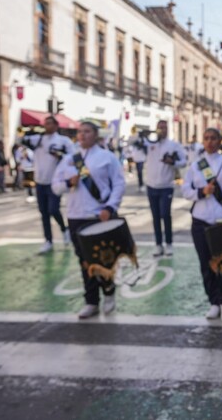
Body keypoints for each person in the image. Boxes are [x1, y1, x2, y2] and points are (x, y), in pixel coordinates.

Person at [51, 121, 126, 319]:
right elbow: (55, 186)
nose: (82, 135)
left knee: (102, 259)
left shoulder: (107, 158)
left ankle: (108, 292)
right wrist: (68, 182)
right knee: (85, 261)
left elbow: (119, 184)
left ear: (95, 135)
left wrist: (110, 207)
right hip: (76, 216)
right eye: (80, 132)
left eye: (87, 132)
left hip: (98, 215)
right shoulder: (69, 160)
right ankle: (91, 301)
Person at [182, 128, 222, 322]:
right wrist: (202, 192)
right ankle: (213, 302)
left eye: (213, 138)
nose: (209, 142)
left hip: (220, 220)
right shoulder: (195, 165)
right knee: (206, 263)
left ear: (220, 141)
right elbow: (185, 189)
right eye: (206, 138)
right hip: (199, 219)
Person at [21, 116, 74, 253]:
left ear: (56, 125)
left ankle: (64, 229)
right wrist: (28, 132)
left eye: (49, 124)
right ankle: (48, 240)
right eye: (45, 124)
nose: (47, 126)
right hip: (40, 181)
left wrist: (60, 155)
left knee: (53, 209)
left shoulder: (63, 141)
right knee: (43, 212)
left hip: (54, 182)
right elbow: (19, 139)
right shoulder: (38, 139)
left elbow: (73, 157)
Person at [143, 120, 186, 257]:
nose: (162, 130)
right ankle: (158, 245)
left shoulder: (173, 145)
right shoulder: (150, 144)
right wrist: (145, 134)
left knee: (165, 215)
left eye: (164, 127)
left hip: (166, 186)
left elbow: (183, 162)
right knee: (155, 217)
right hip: (151, 186)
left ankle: (169, 244)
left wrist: (172, 162)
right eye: (159, 127)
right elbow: (133, 143)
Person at [127, 127, 147, 192]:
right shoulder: (135, 140)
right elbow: (130, 143)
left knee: (140, 171)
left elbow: (146, 148)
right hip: (137, 158)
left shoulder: (144, 140)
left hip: (141, 158)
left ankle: (141, 184)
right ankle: (140, 184)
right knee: (139, 172)